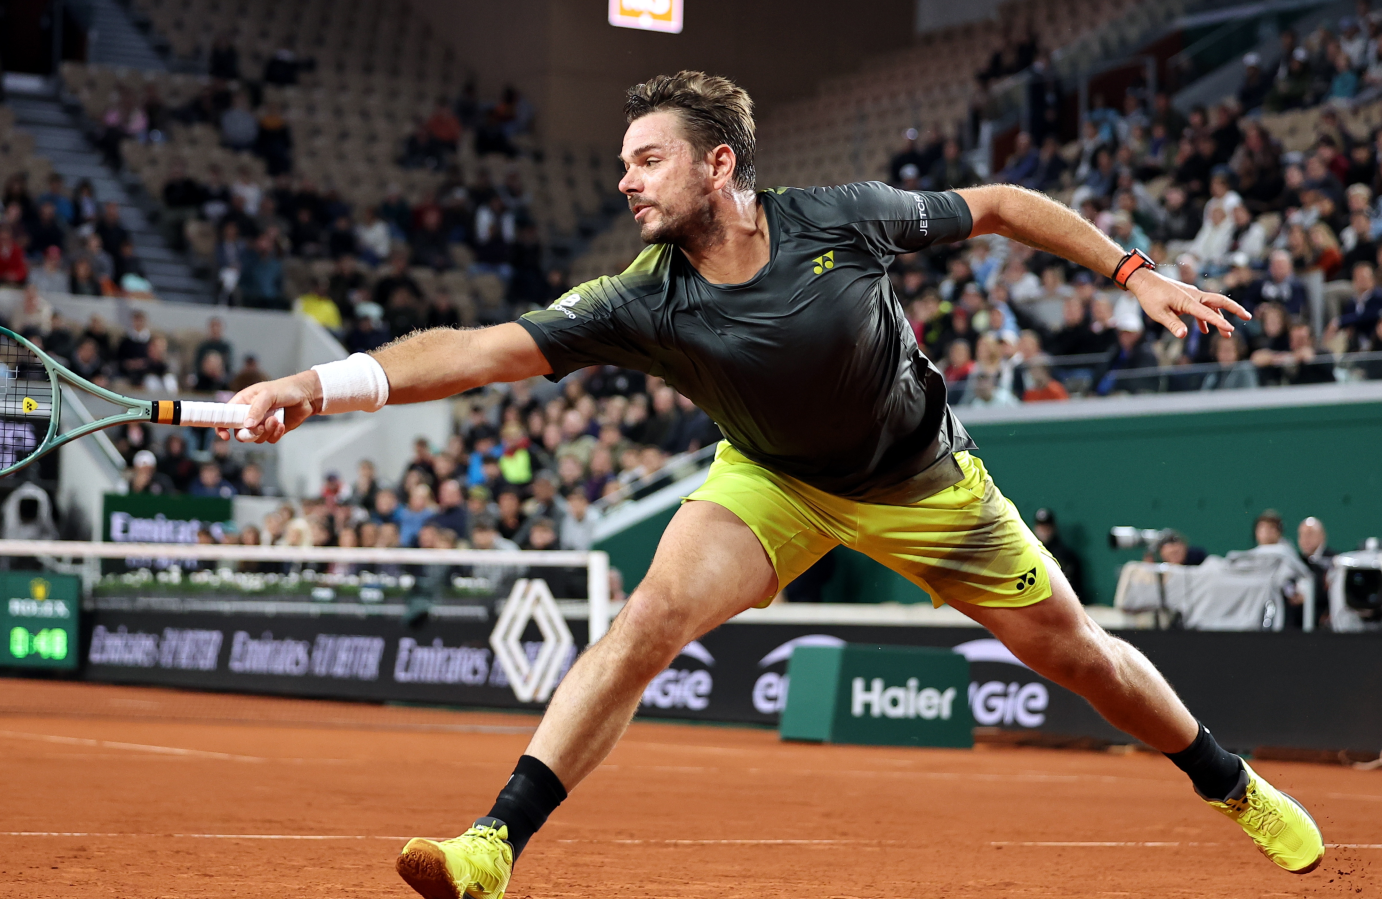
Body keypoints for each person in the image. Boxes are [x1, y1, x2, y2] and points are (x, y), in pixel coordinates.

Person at [218, 71, 1320, 896]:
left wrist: (1132, 272)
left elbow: (993, 204)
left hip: (926, 483)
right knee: (645, 615)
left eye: (645, 158)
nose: (624, 179)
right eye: (623, 161)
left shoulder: (841, 216)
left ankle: (1228, 780)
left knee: (1079, 656)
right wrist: (317, 384)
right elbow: (474, 348)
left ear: (718, 165)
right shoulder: (639, 297)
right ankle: (494, 842)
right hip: (770, 483)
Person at [1030, 508, 1084, 601]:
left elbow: (1075, 588)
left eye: (1046, 527)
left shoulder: (1065, 555)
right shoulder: (1030, 553)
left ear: (1053, 527)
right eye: (1040, 526)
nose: (1043, 530)